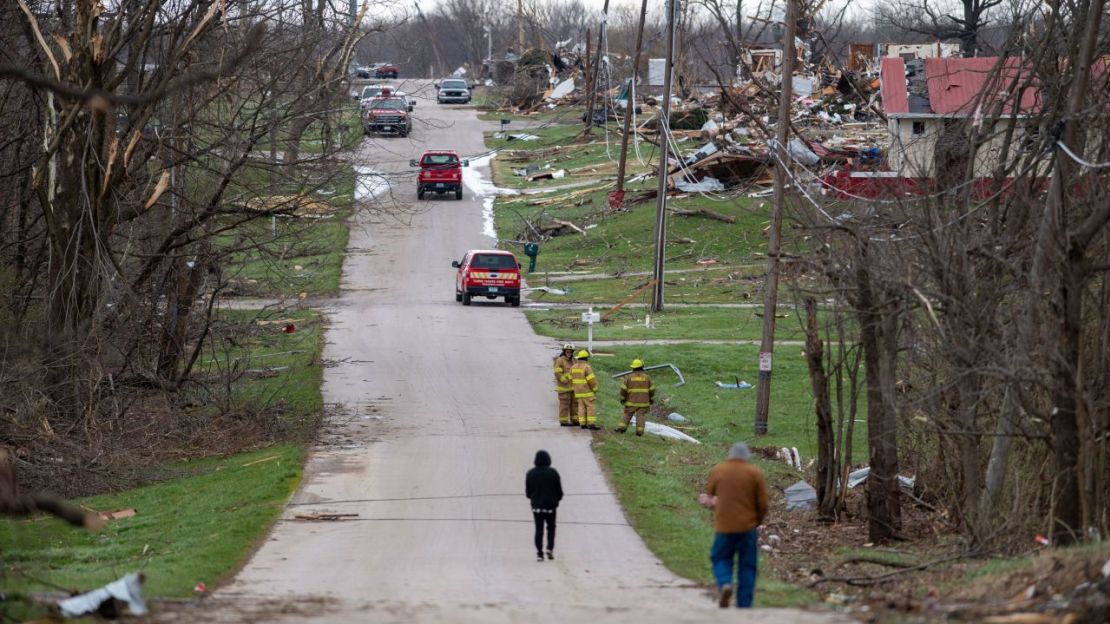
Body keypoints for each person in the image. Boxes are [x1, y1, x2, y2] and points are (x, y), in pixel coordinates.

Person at [699, 442, 769, 609]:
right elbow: (763, 503)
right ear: (747, 457)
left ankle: (725, 584)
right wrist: (757, 521)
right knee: (747, 566)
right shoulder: (755, 473)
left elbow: (710, 496)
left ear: (730, 455)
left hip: (724, 527)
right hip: (747, 528)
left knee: (720, 557)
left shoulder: (719, 470)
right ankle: (744, 606)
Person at [525, 449, 563, 561]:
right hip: (551, 506)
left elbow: (528, 493)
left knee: (538, 529)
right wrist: (556, 501)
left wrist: (533, 500)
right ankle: (549, 548)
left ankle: (539, 554)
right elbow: (559, 491)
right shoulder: (553, 473)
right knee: (551, 527)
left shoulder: (530, 473)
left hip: (536, 506)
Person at [617, 359, 654, 436]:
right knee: (640, 415)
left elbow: (623, 389)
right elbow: (652, 390)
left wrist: (622, 399)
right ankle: (639, 432)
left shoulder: (628, 377)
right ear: (642, 367)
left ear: (633, 367)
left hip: (631, 402)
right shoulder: (647, 378)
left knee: (627, 414)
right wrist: (651, 399)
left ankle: (621, 429)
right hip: (643, 402)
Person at [569, 350, 599, 430]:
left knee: (581, 407)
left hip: (578, 392)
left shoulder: (573, 367)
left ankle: (582, 424)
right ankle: (591, 424)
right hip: (587, 392)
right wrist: (595, 389)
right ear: (586, 358)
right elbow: (591, 380)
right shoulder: (586, 367)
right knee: (590, 407)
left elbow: (570, 378)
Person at [553, 344, 579, 426]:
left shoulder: (574, 360)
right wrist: (563, 380)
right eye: (567, 351)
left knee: (574, 404)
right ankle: (563, 421)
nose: (569, 353)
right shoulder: (560, 360)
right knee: (564, 404)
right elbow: (557, 372)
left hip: (573, 387)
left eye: (570, 351)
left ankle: (575, 420)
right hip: (564, 387)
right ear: (564, 351)